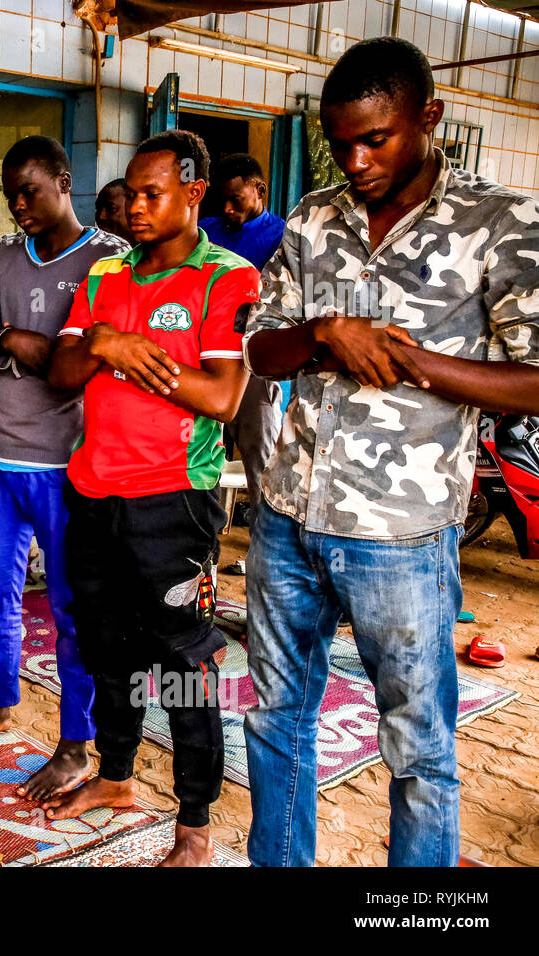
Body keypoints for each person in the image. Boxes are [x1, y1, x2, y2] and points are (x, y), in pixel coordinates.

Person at [242, 38, 539, 868]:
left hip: (401, 536)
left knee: (418, 748)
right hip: (286, 516)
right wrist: (325, 332)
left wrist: (410, 359)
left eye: (377, 138)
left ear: (429, 119)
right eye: (341, 142)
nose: (357, 159)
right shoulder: (311, 218)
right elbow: (262, 351)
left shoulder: (499, 221)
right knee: (275, 719)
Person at [42, 129, 259, 866]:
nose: (133, 206)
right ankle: (116, 777)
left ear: (193, 193)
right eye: (129, 193)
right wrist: (101, 341)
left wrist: (135, 358)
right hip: (95, 493)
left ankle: (194, 823)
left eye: (150, 193)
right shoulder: (103, 276)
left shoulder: (225, 278)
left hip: (176, 501)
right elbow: (62, 374)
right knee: (107, 648)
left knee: (182, 664)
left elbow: (225, 398)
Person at [0, 136, 130, 803]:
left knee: (72, 610)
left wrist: (43, 354)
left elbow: (102, 356)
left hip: (69, 465)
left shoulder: (109, 259)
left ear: (64, 180)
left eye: (31, 189)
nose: (20, 204)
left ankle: (77, 744)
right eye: (10, 193)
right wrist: (18, 342)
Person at [200, 153, 288, 538]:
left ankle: (266, 548)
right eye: (223, 199)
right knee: (203, 454)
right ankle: (205, 546)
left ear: (260, 191)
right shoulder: (205, 231)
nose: (227, 208)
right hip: (204, 362)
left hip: (255, 366)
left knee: (261, 459)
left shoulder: (282, 237)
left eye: (237, 199)